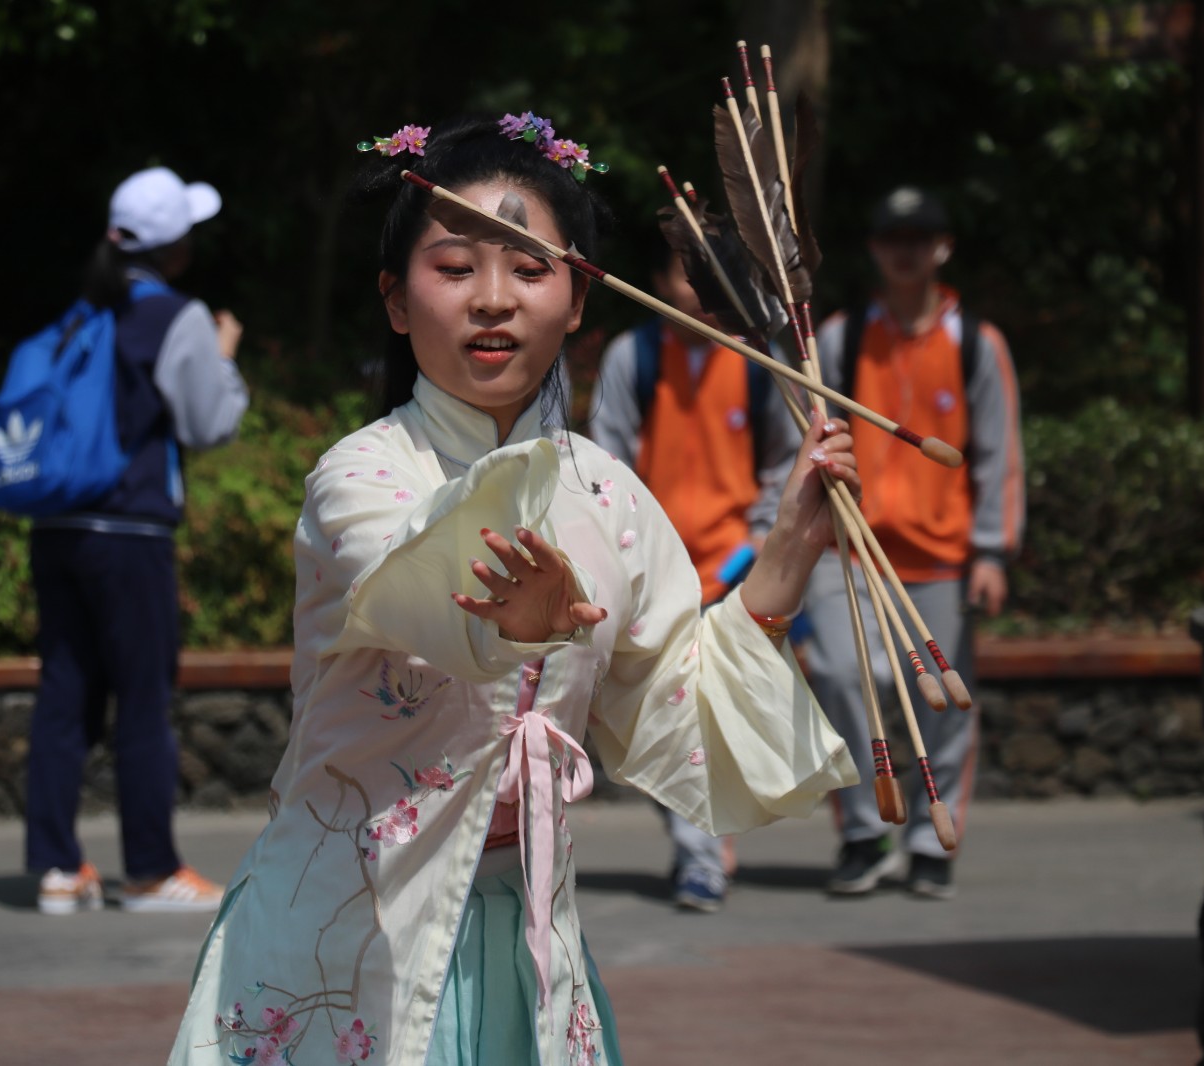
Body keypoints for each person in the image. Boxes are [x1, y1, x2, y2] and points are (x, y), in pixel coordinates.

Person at [168, 113, 860, 1065]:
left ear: (577, 298)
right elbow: (422, 586)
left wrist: (784, 556)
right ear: (396, 300)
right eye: (454, 269)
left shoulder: (609, 496)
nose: (492, 299)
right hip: (342, 931)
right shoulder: (360, 478)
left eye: (530, 269)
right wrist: (509, 623)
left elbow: (671, 706)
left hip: (529, 938)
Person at [27, 166, 249, 916]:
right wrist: (222, 354)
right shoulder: (176, 317)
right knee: (144, 698)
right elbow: (208, 424)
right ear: (176, 249)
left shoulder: (80, 314)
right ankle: (150, 870)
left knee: (65, 692)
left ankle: (58, 871)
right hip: (128, 531)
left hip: (57, 526)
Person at [806, 185, 1024, 901]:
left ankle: (932, 840)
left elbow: (998, 453)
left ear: (942, 248)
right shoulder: (838, 338)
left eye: (919, 237)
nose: (905, 251)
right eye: (891, 238)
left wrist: (991, 551)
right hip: (849, 550)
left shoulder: (975, 342)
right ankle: (866, 831)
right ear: (873, 249)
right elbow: (804, 443)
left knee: (945, 701)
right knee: (841, 676)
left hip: (941, 559)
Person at [589, 239, 798, 912]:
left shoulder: (759, 362)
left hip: (737, 568)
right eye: (685, 272)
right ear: (659, 280)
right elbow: (606, 463)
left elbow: (784, 460)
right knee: (667, 720)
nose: (697, 289)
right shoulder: (635, 358)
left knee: (722, 718)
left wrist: (763, 541)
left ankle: (708, 842)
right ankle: (700, 855)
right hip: (656, 571)